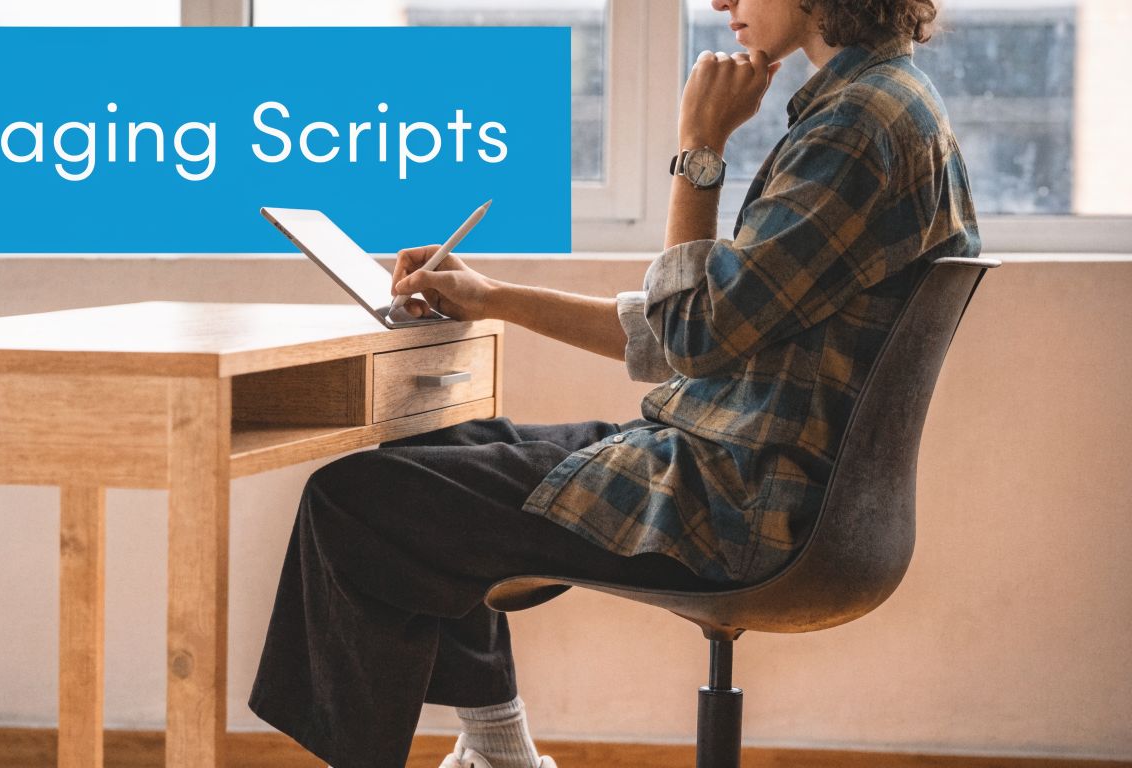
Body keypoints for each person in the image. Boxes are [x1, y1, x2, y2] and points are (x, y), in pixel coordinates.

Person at [249, 0, 979, 766]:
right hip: (743, 470)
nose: (720, 3)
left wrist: (698, 151)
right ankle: (502, 755)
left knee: (358, 501)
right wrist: (490, 295)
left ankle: (492, 756)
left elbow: (693, 332)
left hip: (736, 500)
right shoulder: (885, 104)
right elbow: (689, 331)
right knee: (435, 450)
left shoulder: (854, 130)